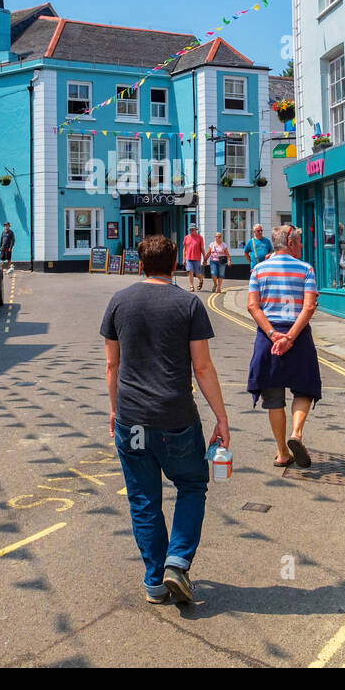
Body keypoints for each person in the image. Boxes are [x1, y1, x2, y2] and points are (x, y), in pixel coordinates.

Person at [101, 234, 231, 605]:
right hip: (176, 419)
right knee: (191, 485)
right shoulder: (188, 304)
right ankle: (177, 561)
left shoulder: (118, 302)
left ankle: (155, 581)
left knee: (143, 498)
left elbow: (112, 365)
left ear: (139, 263)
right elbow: (202, 367)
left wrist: (114, 410)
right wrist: (221, 418)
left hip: (133, 420)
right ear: (175, 264)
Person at [246, 224, 322, 468]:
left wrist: (272, 334)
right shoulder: (306, 269)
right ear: (290, 243)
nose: (301, 246)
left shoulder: (258, 269)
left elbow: (252, 306)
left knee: (274, 397)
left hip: (269, 338)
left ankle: (282, 452)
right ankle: (296, 434)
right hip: (297, 334)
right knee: (303, 389)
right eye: (299, 242)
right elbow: (309, 306)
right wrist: (290, 337)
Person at [182, 224, 205, 292]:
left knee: (197, 274)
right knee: (190, 272)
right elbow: (184, 249)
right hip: (188, 258)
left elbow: (202, 249)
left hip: (197, 258)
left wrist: (205, 258)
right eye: (190, 230)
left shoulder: (200, 238)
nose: (191, 231)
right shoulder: (186, 237)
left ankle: (201, 280)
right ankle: (192, 286)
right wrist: (184, 259)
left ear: (196, 230)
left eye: (192, 229)